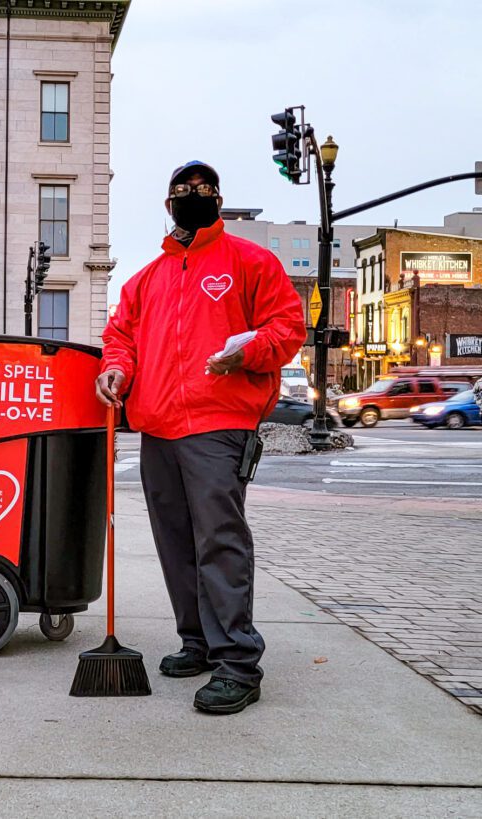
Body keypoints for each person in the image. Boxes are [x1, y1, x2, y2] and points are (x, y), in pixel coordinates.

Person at [97, 161, 305, 715]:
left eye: (205, 189)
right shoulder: (147, 279)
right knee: (176, 542)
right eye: (184, 191)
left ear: (218, 199)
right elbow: (120, 337)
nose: (195, 196)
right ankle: (198, 640)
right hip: (159, 426)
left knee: (220, 540)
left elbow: (287, 328)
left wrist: (247, 352)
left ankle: (237, 661)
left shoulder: (250, 262)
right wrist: (116, 370)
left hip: (219, 423)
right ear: (169, 205)